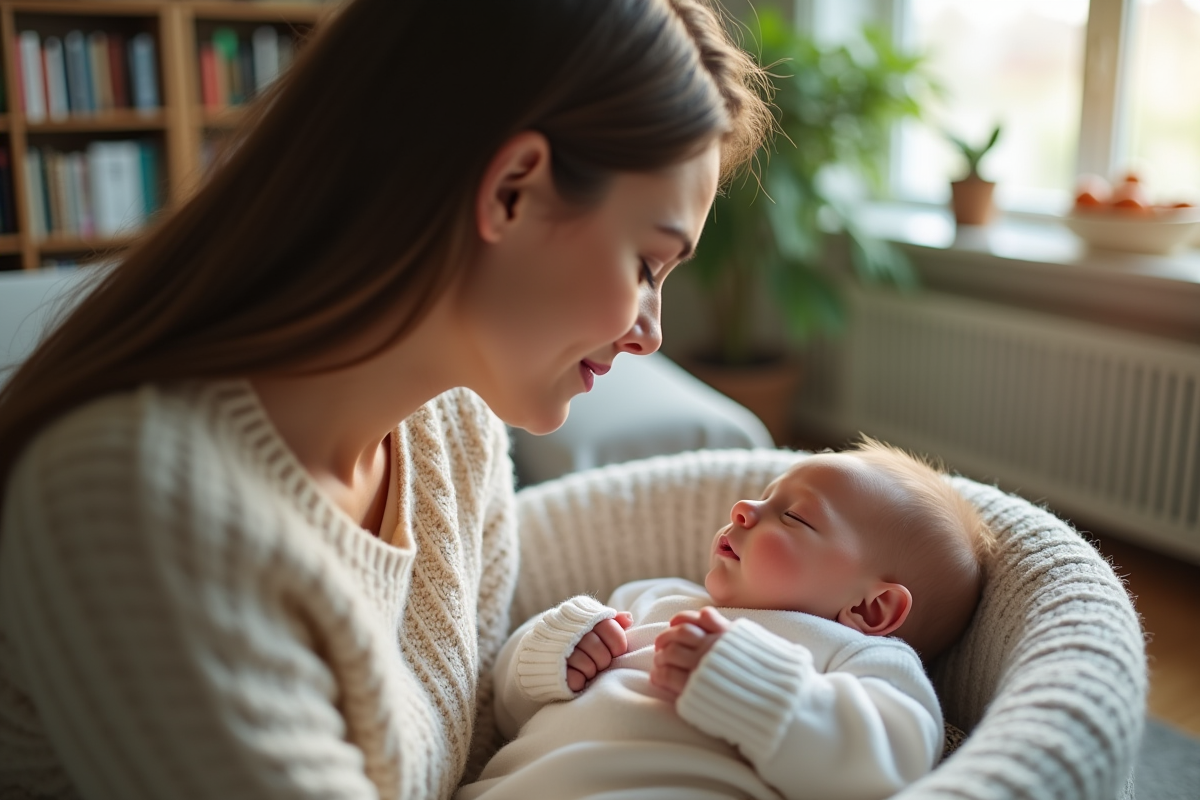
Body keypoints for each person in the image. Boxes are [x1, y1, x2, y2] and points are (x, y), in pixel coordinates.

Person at [0, 1, 775, 797]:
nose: (650, 334)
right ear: (512, 191)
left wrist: (860, 514)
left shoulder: (449, 416)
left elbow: (524, 595)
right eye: (648, 265)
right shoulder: (132, 494)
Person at [460, 439, 996, 800]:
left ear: (869, 608)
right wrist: (554, 650)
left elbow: (892, 762)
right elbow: (506, 713)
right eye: (763, 496)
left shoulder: (858, 657)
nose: (742, 507)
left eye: (793, 515)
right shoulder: (655, 596)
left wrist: (753, 683)